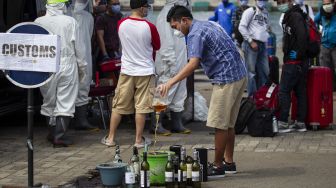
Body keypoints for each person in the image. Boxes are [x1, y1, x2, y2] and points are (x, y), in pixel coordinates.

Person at [160, 5, 247, 177]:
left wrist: (169, 83)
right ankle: (229, 163)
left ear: (184, 20)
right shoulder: (207, 25)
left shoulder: (194, 33)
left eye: (175, 26)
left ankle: (217, 166)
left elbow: (192, 64)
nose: (175, 31)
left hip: (226, 78)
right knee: (228, 123)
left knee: (219, 124)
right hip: (239, 73)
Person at [100, 0, 160, 148]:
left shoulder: (122, 23)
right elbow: (157, 45)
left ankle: (110, 138)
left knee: (119, 105)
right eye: (146, 7)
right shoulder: (150, 26)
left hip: (126, 71)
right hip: (145, 71)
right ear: (141, 8)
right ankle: (138, 141)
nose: (148, 9)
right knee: (141, 107)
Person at [35, 0, 87, 147]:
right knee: (65, 101)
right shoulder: (70, 21)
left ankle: (52, 134)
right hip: (67, 64)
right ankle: (60, 136)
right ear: (62, 5)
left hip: (45, 64)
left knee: (49, 100)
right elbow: (80, 49)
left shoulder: (38, 21)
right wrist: (82, 69)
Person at [152, 0, 192, 136]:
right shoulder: (166, 15)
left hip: (180, 60)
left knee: (180, 92)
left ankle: (177, 123)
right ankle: (156, 124)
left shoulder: (179, 13)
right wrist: (171, 62)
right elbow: (165, 42)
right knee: (163, 92)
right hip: (168, 62)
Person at [276, 0, 309, 133]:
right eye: (278, 2)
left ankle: (283, 122)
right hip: (298, 62)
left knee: (284, 91)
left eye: (283, 1)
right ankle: (300, 123)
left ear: (290, 1)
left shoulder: (295, 16)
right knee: (300, 92)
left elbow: (303, 36)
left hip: (294, 62)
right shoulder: (289, 15)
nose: (280, 4)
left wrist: (297, 54)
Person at [70, 0, 96, 130]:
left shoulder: (69, 16)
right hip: (80, 54)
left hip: (78, 55)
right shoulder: (87, 17)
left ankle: (79, 120)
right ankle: (79, 120)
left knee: (80, 87)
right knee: (81, 87)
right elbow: (89, 36)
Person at [239, 0, 269, 96]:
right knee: (251, 72)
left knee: (265, 71)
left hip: (262, 45)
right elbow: (241, 27)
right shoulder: (250, 11)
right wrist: (250, 41)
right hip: (251, 45)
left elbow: (265, 28)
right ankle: (252, 97)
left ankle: (262, 96)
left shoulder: (266, 13)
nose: (262, 2)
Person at [315, 0, 336, 90]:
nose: (326, 6)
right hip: (324, 45)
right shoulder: (321, 12)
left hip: (335, 45)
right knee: (326, 70)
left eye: (328, 3)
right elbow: (314, 21)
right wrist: (318, 30)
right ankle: (330, 89)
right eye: (324, 4)